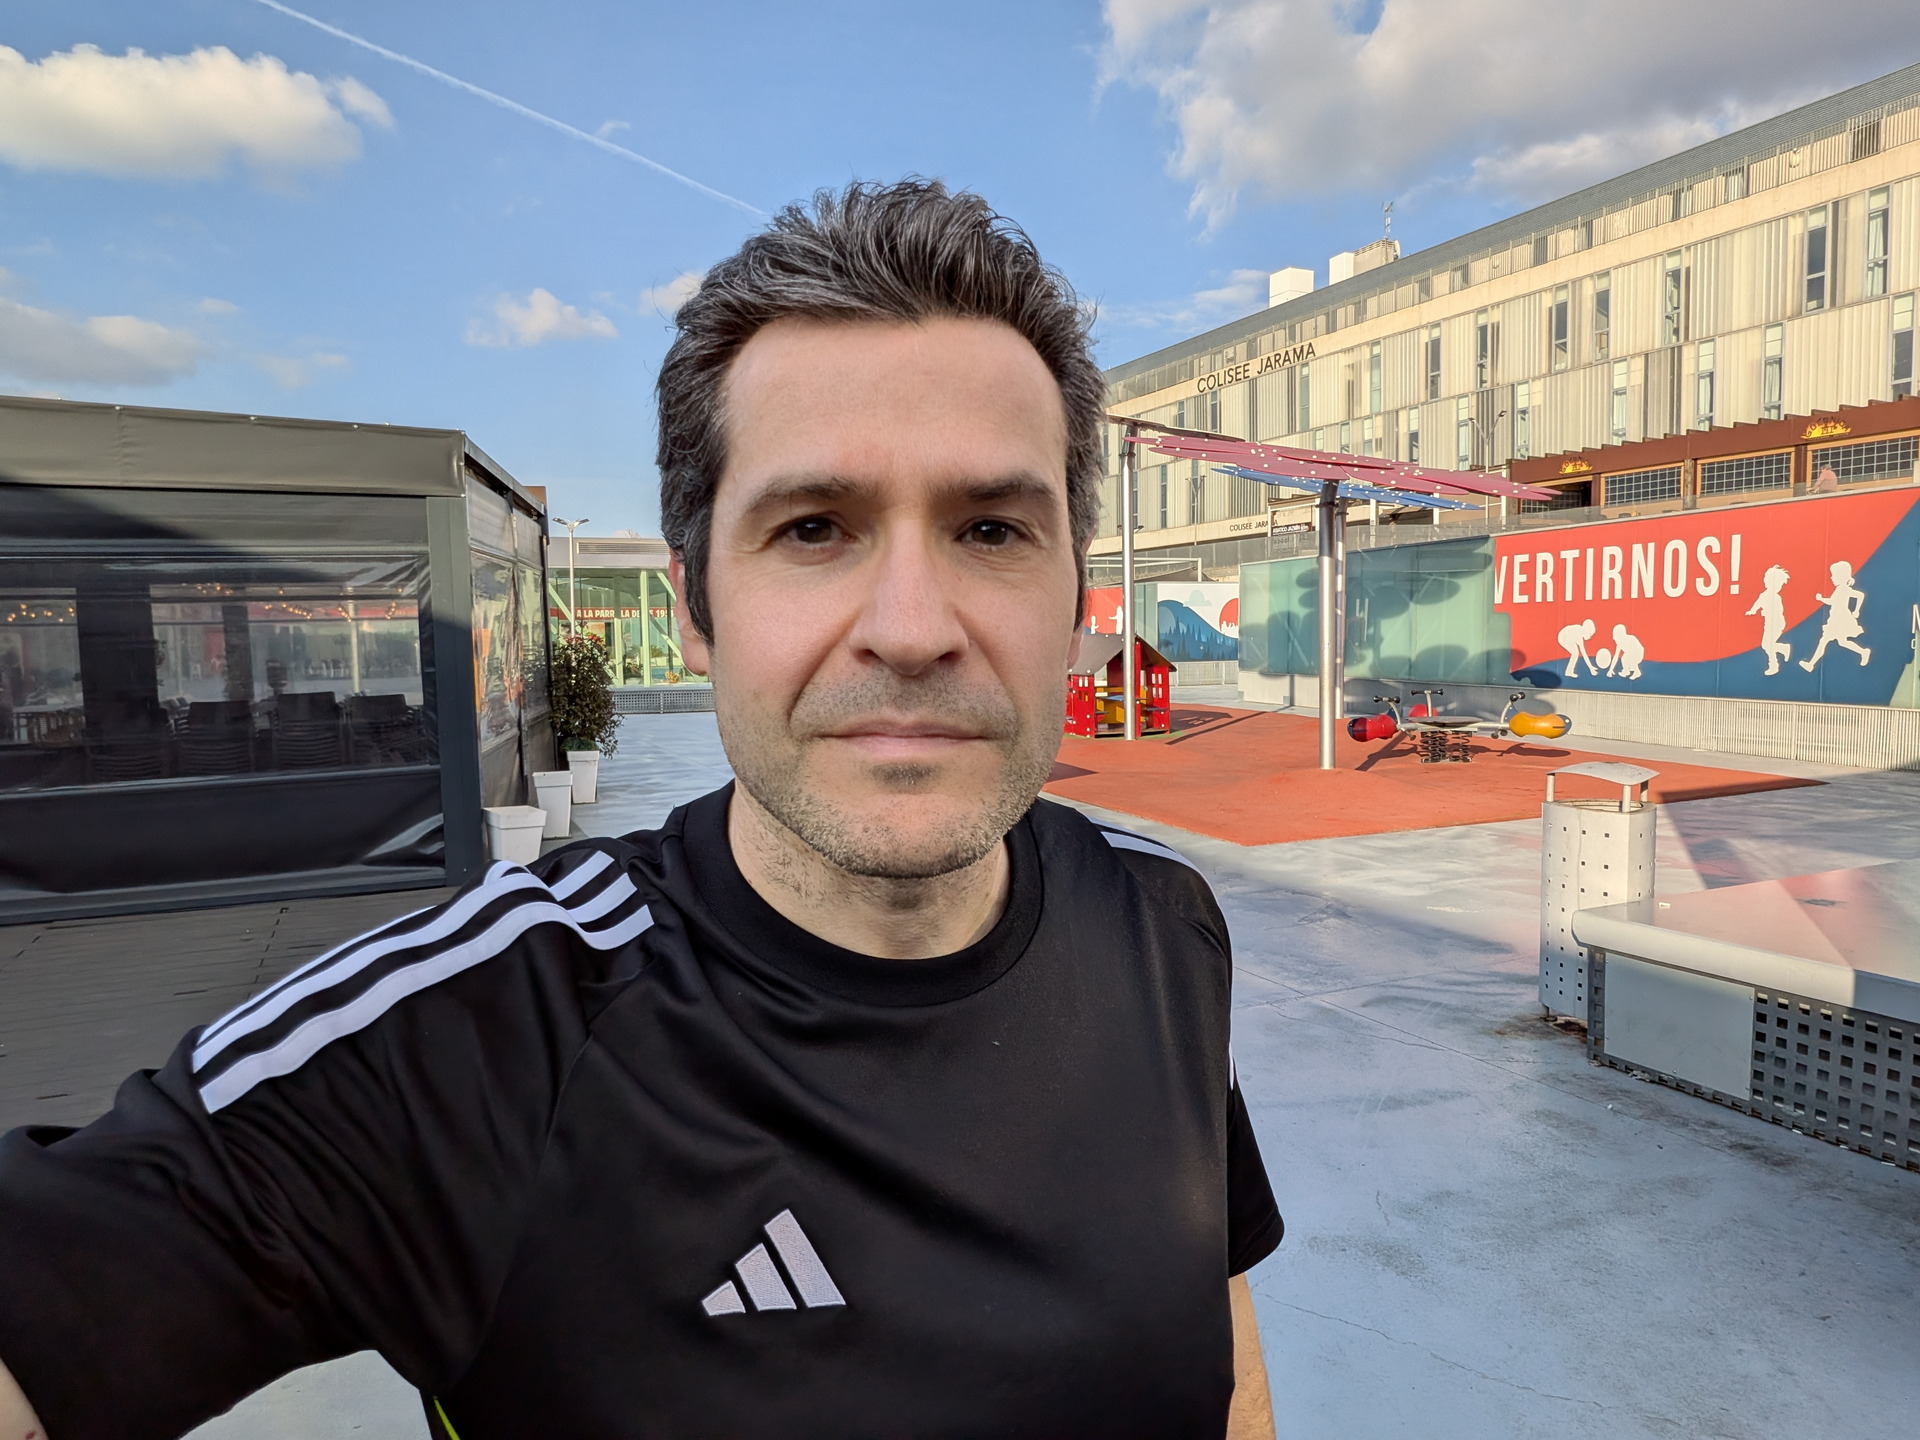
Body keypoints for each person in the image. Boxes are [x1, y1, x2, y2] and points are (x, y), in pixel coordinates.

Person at [0, 181, 1282, 1440]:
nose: (910, 630)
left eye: (993, 529)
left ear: (1072, 602)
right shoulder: (484, 1035)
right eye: (816, 527)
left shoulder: (1165, 926)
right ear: (695, 608)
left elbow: (1217, 1353)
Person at [1799, 559, 1870, 670]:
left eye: (1834, 576)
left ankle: (1811, 664)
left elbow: (1860, 595)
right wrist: (1822, 599)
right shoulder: (1839, 589)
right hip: (1835, 618)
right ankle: (1863, 652)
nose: (1832, 578)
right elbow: (1833, 602)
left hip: (1840, 619)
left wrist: (1857, 610)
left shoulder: (1844, 589)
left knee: (1824, 641)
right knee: (1842, 642)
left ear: (1842, 577)